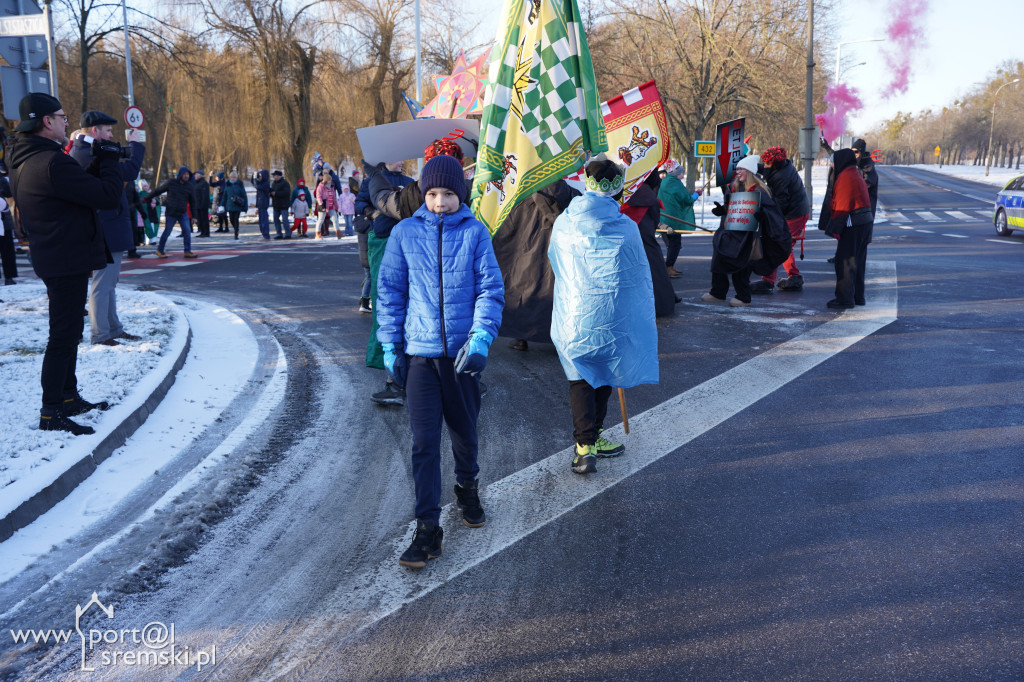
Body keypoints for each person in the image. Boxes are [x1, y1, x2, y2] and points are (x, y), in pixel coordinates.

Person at [376, 153, 504, 568]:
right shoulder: (404, 235)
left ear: (460, 195)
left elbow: (490, 289)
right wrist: (392, 347)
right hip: (421, 359)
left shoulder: (475, 234)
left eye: (448, 194)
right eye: (432, 193)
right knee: (424, 443)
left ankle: (467, 485)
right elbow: (390, 294)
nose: (439, 202)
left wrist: (481, 337)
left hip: (463, 357)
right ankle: (427, 527)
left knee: (465, 431)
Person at [8, 92, 124, 434]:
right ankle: (51, 412)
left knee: (70, 329)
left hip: (54, 254)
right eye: (62, 117)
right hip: (65, 258)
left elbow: (73, 188)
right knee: (62, 336)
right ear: (47, 122)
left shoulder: (26, 157)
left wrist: (97, 163)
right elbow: (105, 195)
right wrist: (111, 162)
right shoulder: (52, 162)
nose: (66, 123)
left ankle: (69, 396)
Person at [548, 155, 658, 474]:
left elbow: (556, 260)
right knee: (605, 373)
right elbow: (637, 274)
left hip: (575, 315)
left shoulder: (567, 222)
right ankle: (592, 437)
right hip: (611, 315)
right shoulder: (624, 226)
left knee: (581, 377)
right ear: (617, 189)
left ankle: (586, 447)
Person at [68, 110, 146, 346]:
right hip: (105, 226)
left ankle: (112, 328)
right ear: (95, 130)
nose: (112, 135)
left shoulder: (87, 150)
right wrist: (137, 146)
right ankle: (101, 333)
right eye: (108, 130)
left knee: (109, 283)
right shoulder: (84, 153)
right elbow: (129, 172)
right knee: (102, 284)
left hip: (108, 224)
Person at [492, 177, 579, 351]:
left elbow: (505, 225)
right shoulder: (571, 194)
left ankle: (520, 336)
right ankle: (558, 337)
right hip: (556, 253)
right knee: (557, 293)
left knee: (521, 290)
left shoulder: (518, 193)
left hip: (522, 254)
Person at [702, 155, 788, 307]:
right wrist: (722, 210)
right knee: (719, 258)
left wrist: (764, 216)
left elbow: (774, 214)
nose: (738, 171)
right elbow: (732, 208)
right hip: (730, 231)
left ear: (749, 171)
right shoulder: (734, 187)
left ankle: (743, 296)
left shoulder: (760, 191)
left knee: (741, 264)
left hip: (748, 236)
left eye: (742, 169)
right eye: (738, 169)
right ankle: (718, 292)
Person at [361, 158, 413, 405]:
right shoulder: (372, 183)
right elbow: (367, 204)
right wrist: (370, 214)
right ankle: (395, 381)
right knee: (389, 311)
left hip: (409, 247)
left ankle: (406, 382)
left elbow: (390, 203)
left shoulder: (411, 185)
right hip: (385, 243)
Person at [751, 146, 810, 294]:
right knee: (780, 243)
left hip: (794, 214)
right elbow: (764, 169)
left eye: (767, 163)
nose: (764, 165)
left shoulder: (780, 177)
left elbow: (780, 203)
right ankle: (781, 277)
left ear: (774, 164)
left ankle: (781, 278)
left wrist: (768, 215)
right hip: (795, 211)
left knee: (781, 243)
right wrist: (748, 164)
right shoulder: (781, 167)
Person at [820, 148, 873, 309]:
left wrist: (835, 228)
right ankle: (857, 296)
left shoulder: (845, 177)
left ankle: (845, 298)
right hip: (865, 222)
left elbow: (841, 206)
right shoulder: (854, 173)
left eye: (833, 162)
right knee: (857, 262)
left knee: (845, 262)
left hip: (853, 224)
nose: (831, 165)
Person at [621, 169, 677, 316]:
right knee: (651, 261)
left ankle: (659, 302)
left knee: (646, 260)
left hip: (638, 209)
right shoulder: (647, 186)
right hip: (642, 207)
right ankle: (663, 301)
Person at [657, 159, 702, 280]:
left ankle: (670, 266)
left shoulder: (665, 181)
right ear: (674, 173)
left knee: (672, 244)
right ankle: (669, 268)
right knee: (675, 245)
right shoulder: (674, 183)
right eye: (680, 173)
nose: (682, 175)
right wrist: (697, 194)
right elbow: (687, 200)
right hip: (672, 221)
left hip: (664, 219)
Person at [143, 166, 197, 258]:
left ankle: (187, 251)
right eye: (184, 174)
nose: (186, 176)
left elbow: (193, 202)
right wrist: (146, 198)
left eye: (188, 174)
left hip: (182, 212)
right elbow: (158, 191)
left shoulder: (189, 187)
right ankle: (160, 250)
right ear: (180, 174)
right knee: (167, 231)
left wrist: (194, 216)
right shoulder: (171, 183)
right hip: (171, 212)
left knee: (187, 231)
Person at [851, 138, 879, 216]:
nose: (854, 154)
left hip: (866, 211)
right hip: (856, 211)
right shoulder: (855, 164)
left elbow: (866, 184)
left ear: (862, 153)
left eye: (856, 152)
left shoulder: (868, 166)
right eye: (852, 152)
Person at [221, 171, 248, 239]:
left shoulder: (240, 185)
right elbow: (224, 196)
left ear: (236, 178)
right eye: (231, 177)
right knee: (231, 219)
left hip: (238, 205)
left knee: (236, 219)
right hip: (230, 205)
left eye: (234, 177)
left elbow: (244, 196)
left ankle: (236, 233)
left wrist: (245, 206)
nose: (233, 178)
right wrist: (221, 204)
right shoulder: (227, 185)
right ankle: (236, 228)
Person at [270, 169, 291, 239]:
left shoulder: (285, 183)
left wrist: (276, 193)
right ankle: (279, 234)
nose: (274, 177)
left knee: (285, 220)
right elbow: (272, 192)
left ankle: (288, 234)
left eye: (274, 175)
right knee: (276, 220)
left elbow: (287, 193)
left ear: (278, 176)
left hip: (283, 205)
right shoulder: (273, 183)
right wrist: (270, 194)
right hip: (276, 205)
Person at [252, 169, 271, 239]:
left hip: (263, 204)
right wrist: (254, 176)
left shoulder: (266, 184)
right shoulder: (261, 182)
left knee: (264, 220)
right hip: (260, 204)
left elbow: (257, 186)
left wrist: (255, 179)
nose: (259, 177)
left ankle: (266, 235)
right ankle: (264, 234)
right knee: (261, 220)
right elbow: (254, 183)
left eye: (260, 175)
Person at [193, 169, 211, 237]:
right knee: (200, 219)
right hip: (198, 204)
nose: (195, 176)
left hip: (202, 205)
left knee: (204, 219)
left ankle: (205, 233)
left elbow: (205, 195)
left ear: (200, 175)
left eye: (196, 174)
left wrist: (203, 204)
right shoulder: (197, 183)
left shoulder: (203, 183)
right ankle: (203, 232)